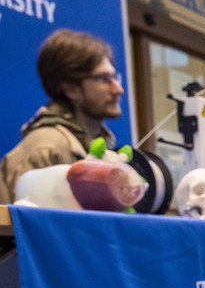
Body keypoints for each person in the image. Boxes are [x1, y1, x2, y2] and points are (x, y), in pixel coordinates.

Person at [0, 29, 124, 203]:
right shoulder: (45, 148)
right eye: (103, 78)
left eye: (114, 77)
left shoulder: (95, 145)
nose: (118, 89)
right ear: (70, 89)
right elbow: (29, 220)